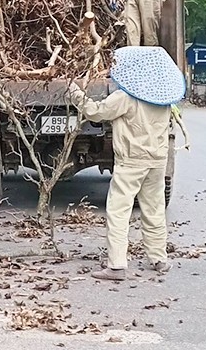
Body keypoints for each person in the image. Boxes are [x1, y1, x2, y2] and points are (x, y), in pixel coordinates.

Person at [67, 45, 186, 280]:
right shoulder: (162, 97)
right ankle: (159, 259)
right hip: (157, 161)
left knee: (118, 211)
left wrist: (75, 93)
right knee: (153, 209)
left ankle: (117, 265)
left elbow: (95, 112)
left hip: (132, 161)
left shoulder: (126, 97)